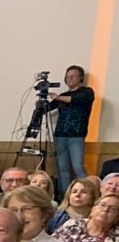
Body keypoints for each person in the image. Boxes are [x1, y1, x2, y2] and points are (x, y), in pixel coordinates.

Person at [45, 65, 95, 193]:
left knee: (78, 167)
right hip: (59, 136)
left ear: (81, 78)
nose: (69, 79)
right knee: (62, 169)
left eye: (73, 76)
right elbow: (48, 108)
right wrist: (41, 104)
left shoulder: (87, 92)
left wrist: (57, 97)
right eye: (67, 76)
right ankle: (64, 197)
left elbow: (75, 100)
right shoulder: (63, 95)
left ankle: (88, 194)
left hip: (76, 136)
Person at [53, 193, 119, 242]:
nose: (106, 209)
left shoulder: (116, 239)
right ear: (93, 209)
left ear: (117, 217)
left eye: (113, 209)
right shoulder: (73, 224)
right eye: (103, 205)